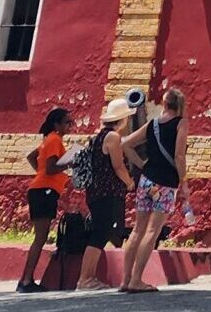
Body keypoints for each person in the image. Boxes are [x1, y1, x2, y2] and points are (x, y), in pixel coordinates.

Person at [120, 86, 188, 294]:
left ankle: (125, 280)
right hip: (166, 183)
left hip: (146, 181)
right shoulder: (181, 124)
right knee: (152, 230)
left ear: (165, 104)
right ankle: (137, 280)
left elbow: (126, 144)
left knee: (137, 229)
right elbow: (178, 155)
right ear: (180, 106)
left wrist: (142, 165)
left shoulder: (153, 124)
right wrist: (184, 182)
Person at [75, 99, 136, 291]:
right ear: (122, 119)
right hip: (106, 193)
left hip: (96, 192)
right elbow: (118, 166)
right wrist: (129, 182)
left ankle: (88, 277)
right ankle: (85, 278)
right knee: (99, 234)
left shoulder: (97, 137)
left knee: (100, 233)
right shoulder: (113, 137)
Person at [18, 106, 72, 292]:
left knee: (39, 237)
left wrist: (39, 174)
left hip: (41, 189)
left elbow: (32, 156)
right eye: (67, 122)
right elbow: (50, 168)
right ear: (56, 124)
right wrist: (70, 162)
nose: (70, 126)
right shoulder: (55, 139)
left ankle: (26, 279)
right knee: (40, 238)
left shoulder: (48, 140)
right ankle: (26, 280)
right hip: (44, 191)